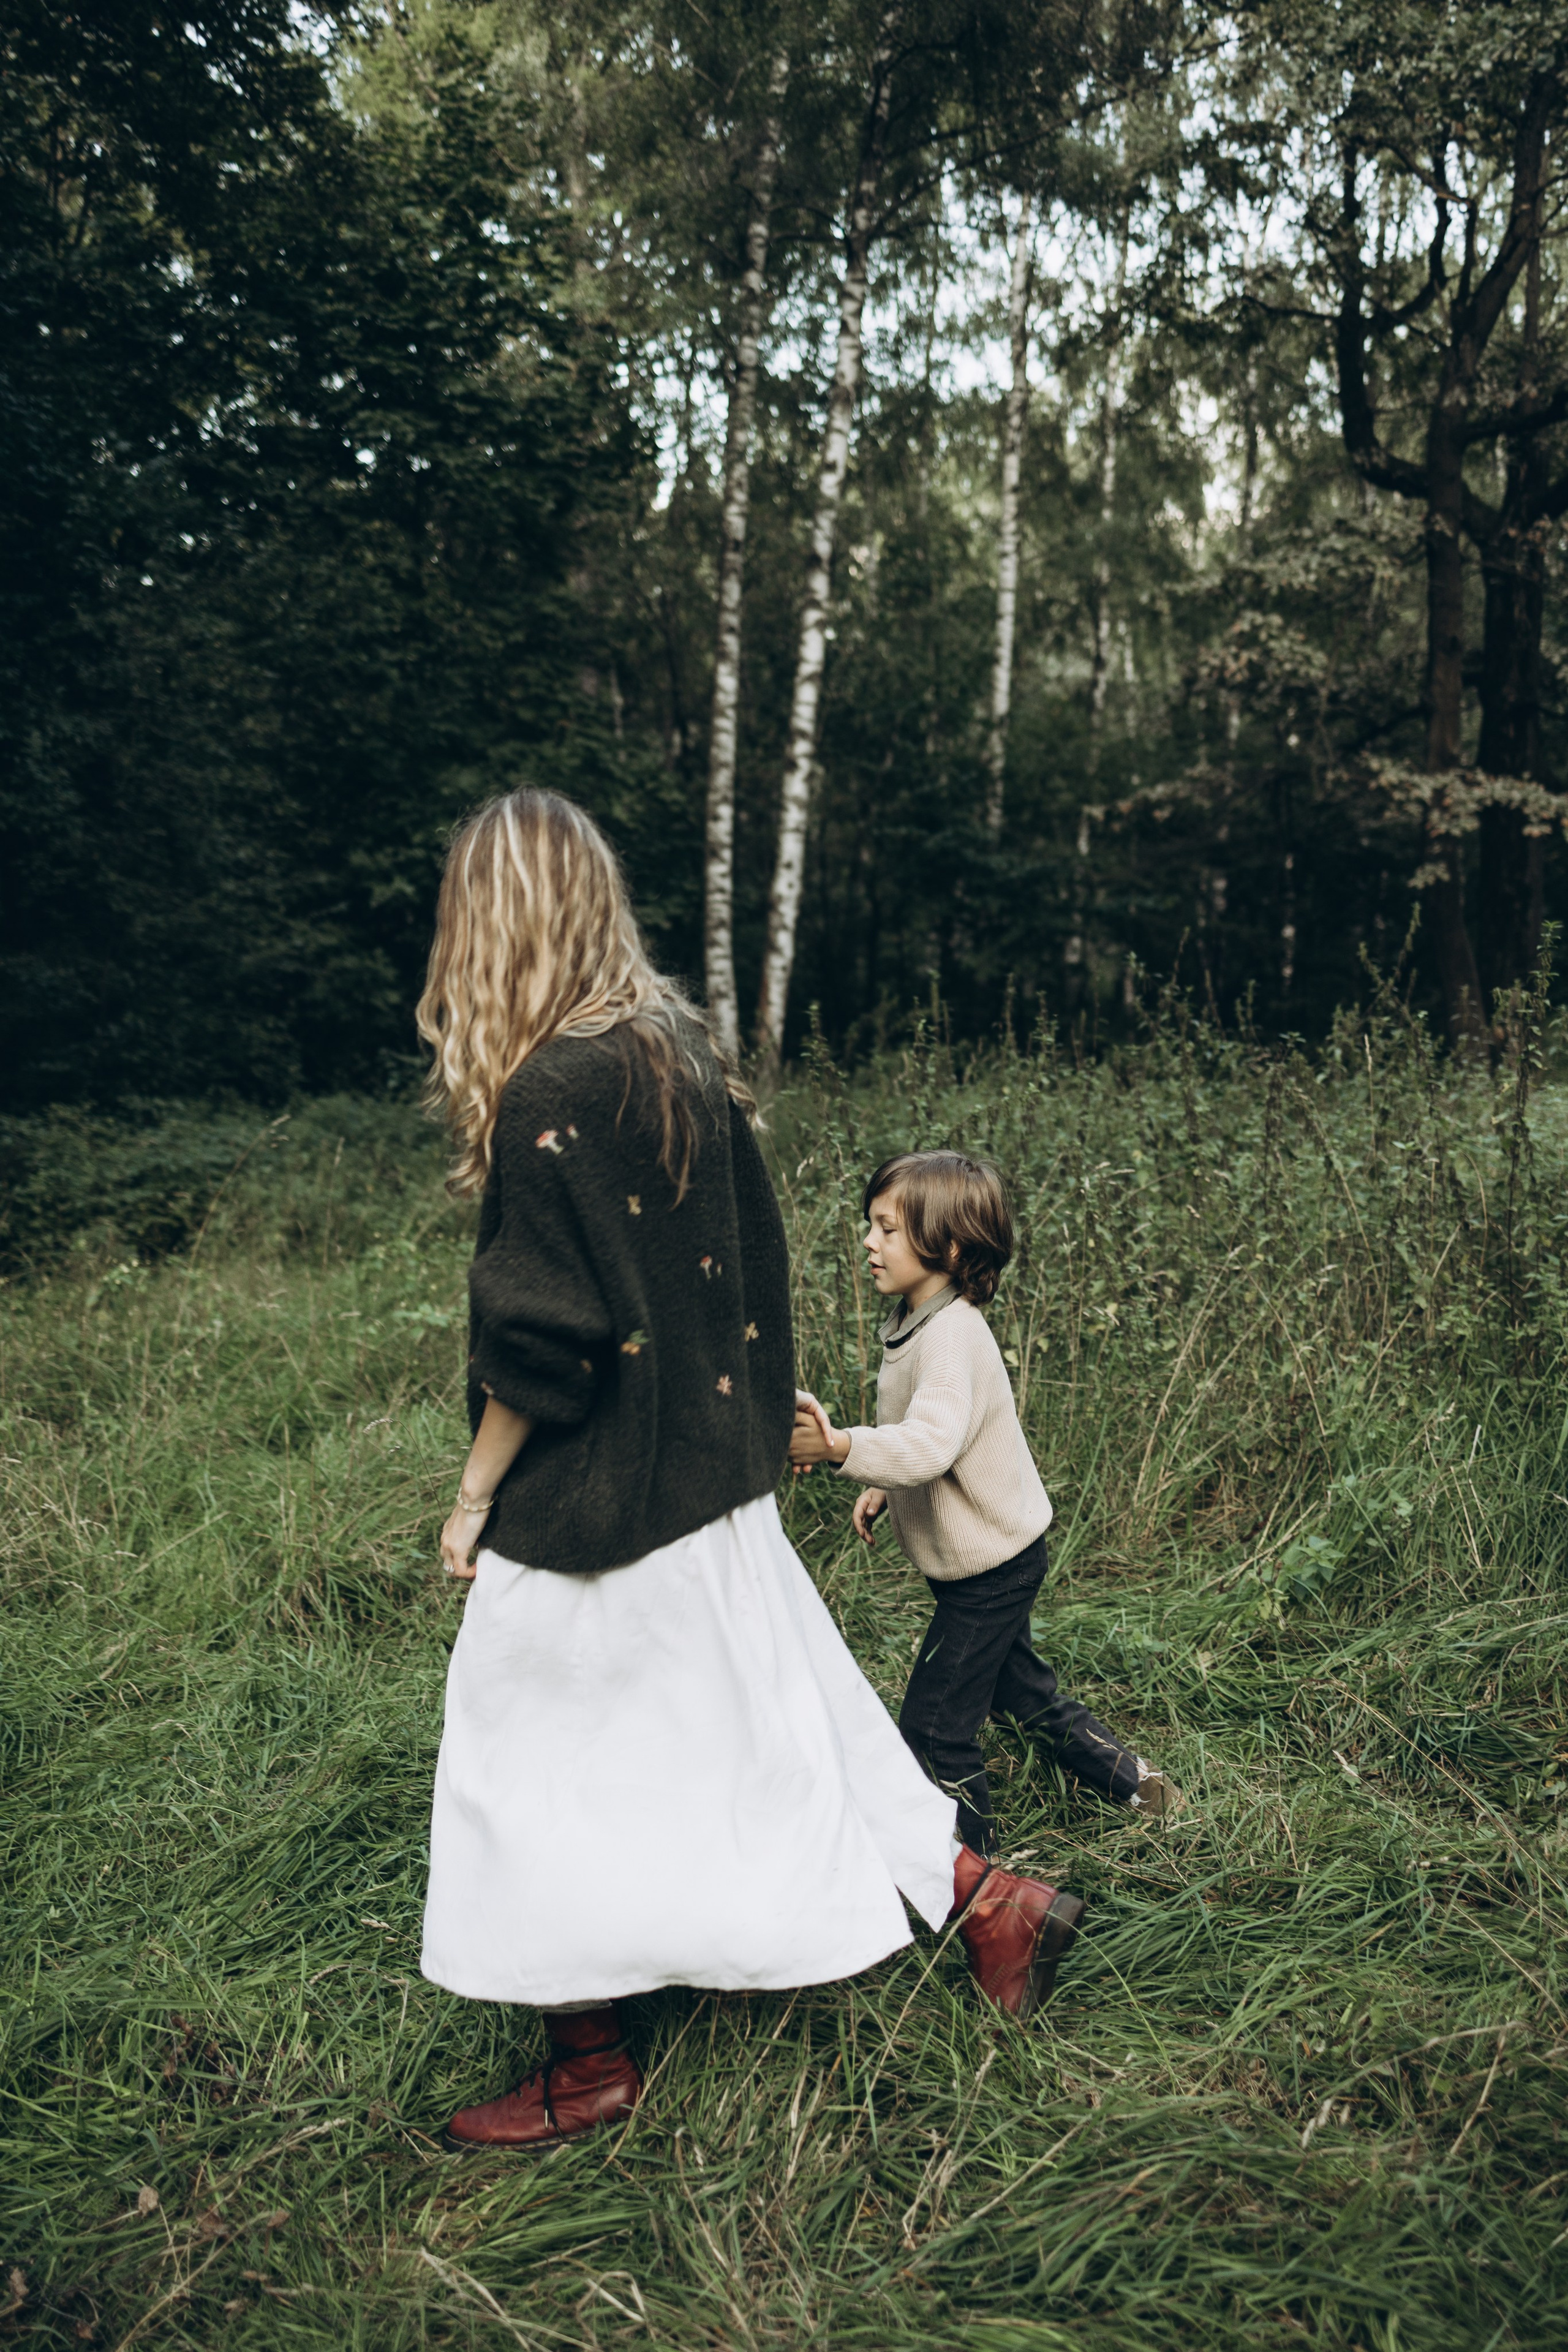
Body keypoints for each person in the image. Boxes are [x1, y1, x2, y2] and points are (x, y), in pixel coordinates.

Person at [415, 791, 1085, 2154]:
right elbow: (745, 1271)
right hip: (707, 1484)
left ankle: (586, 2068)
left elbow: (541, 1346)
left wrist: (476, 1498)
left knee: (517, 1755)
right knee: (783, 1724)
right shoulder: (674, 1056)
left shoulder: (550, 1091)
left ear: (492, 923)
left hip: (600, 1500)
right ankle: (988, 1902)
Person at [789, 1150, 1181, 1860]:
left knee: (935, 1729)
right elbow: (927, 1434)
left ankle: (977, 1883)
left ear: (948, 1248)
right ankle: (1138, 1785)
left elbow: (931, 1443)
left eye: (887, 1229)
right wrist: (884, 1481)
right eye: (870, 1225)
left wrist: (843, 1447)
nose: (869, 1243)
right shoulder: (919, 1318)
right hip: (987, 1562)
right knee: (1022, 1695)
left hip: (991, 1573)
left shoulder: (952, 1334)